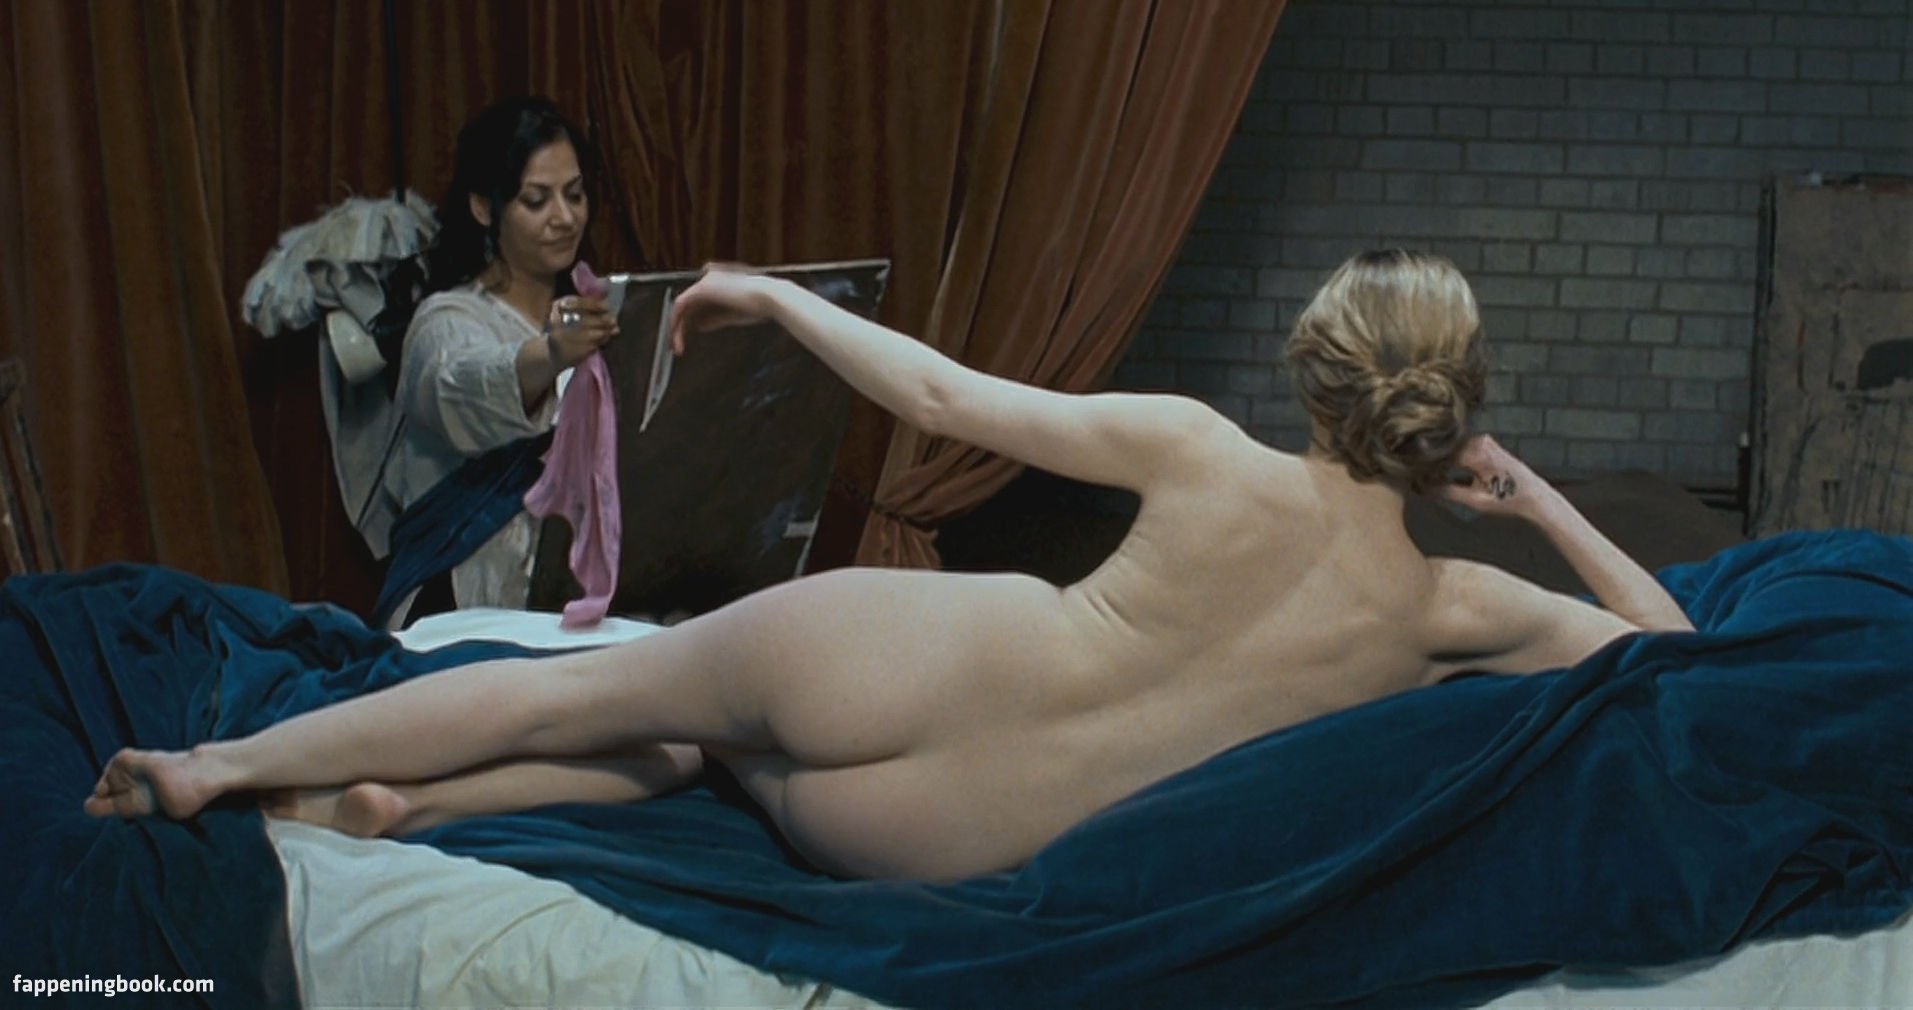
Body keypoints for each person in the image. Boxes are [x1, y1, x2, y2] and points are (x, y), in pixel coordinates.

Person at [86, 250, 1694, 882]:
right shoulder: (1455, 607)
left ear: (1316, 373)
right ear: (1448, 419)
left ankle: (220, 766)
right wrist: (1531, 500)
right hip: (937, 836)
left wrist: (772, 295)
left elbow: (937, 396)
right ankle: (404, 811)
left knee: (607, 692)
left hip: (912, 662)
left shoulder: (1205, 452)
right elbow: (1682, 647)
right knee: (696, 753)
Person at [380, 95, 620, 620]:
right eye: (537, 201)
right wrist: (551, 353)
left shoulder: (596, 310)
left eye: (574, 195)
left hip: (576, 591)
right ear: (484, 207)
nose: (565, 218)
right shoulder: (445, 322)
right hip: (464, 599)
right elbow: (463, 384)